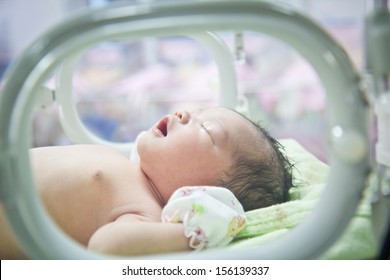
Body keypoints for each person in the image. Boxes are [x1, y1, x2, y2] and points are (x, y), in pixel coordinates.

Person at [0, 107, 294, 259]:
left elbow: (105, 247)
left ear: (208, 192)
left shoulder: (145, 213)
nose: (184, 113)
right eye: (198, 112)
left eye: (206, 128)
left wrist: (193, 233)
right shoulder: (132, 172)